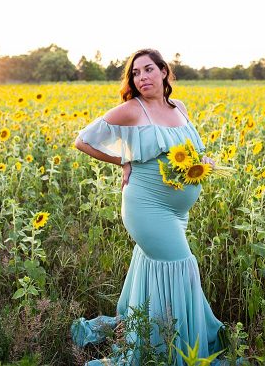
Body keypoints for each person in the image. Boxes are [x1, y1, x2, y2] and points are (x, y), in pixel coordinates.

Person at [70, 49, 225, 364]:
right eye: (136, 73)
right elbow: (82, 140)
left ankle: (149, 335)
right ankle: (177, 349)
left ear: (164, 71)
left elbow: (192, 150)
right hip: (145, 205)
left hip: (177, 211)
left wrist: (203, 162)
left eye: (148, 70)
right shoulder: (131, 110)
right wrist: (122, 159)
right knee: (181, 265)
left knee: (156, 268)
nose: (142, 78)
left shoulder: (179, 108)